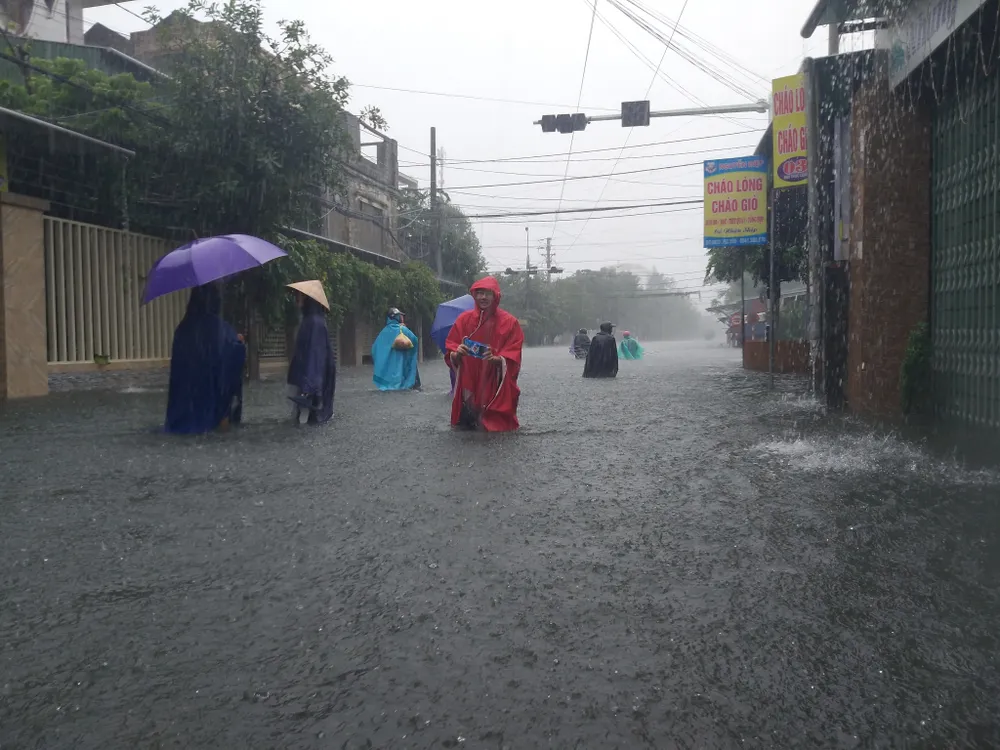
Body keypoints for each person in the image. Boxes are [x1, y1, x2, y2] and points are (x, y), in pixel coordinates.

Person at [445, 276, 524, 432]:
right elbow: (451, 349)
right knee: (465, 427)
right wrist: (457, 353)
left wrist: (496, 359)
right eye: (479, 293)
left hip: (494, 381)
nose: (483, 297)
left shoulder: (510, 322)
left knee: (496, 429)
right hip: (469, 379)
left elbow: (514, 352)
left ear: (496, 296)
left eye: (488, 293)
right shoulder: (463, 320)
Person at [165, 284, 245, 434]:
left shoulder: (182, 329)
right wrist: (239, 343)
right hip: (212, 401)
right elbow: (232, 360)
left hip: (185, 404)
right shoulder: (221, 329)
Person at [287, 291, 336, 425]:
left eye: (301, 296)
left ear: (309, 299)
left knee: (308, 423)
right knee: (302, 422)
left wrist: (309, 388)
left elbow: (316, 357)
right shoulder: (309, 320)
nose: (297, 298)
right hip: (308, 380)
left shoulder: (314, 322)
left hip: (312, 384)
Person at [372, 307, 420, 391]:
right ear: (396, 317)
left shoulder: (383, 332)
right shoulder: (403, 329)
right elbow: (414, 340)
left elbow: (374, 349)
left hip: (387, 370)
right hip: (402, 365)